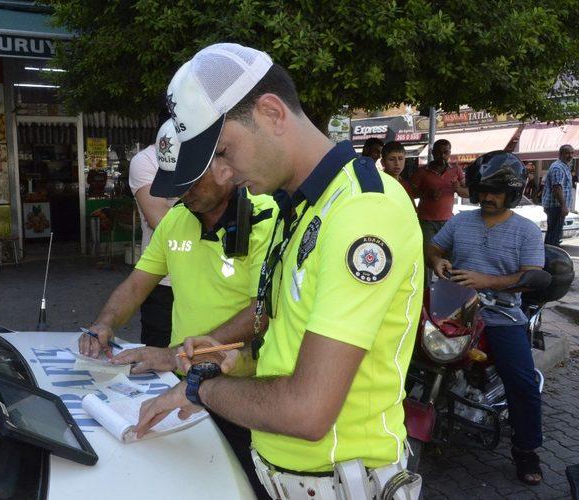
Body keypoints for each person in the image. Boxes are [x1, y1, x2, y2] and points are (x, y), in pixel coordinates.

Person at [134, 43, 423, 500]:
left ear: (271, 113)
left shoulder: (361, 210)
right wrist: (240, 358)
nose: (225, 175)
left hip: (342, 483)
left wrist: (202, 389)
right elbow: (287, 335)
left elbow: (307, 411)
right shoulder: (302, 208)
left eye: (224, 151)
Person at [80, 119, 276, 498]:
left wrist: (172, 355)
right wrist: (104, 323)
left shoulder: (267, 220)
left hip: (244, 393)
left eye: (190, 181)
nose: (181, 193)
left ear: (224, 166)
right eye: (174, 182)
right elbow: (139, 283)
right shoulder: (176, 221)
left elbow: (261, 313)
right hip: (182, 387)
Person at [426, 151, 545, 486]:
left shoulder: (526, 231)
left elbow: (532, 275)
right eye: (484, 190)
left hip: (502, 316)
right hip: (457, 311)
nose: (488, 198)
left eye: (496, 192)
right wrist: (437, 262)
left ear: (512, 193)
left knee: (521, 383)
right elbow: (434, 249)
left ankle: (526, 451)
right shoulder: (460, 221)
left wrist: (487, 281)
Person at [128, 126, 175, 347]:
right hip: (161, 279)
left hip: (206, 277)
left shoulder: (206, 154)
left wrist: (168, 205)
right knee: (157, 354)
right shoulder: (145, 160)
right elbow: (161, 222)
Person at [410, 139, 469, 243]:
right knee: (429, 253)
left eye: (445, 152)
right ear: (433, 153)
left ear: (449, 153)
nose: (442, 155)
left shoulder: (456, 170)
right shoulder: (421, 172)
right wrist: (426, 193)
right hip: (426, 222)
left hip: (447, 221)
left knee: (447, 253)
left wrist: (458, 189)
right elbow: (410, 195)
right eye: (438, 152)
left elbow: (469, 194)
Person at [542, 144, 575, 247]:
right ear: (560, 154)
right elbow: (557, 187)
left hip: (557, 206)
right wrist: (564, 206)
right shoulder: (558, 167)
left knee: (554, 233)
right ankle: (551, 257)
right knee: (554, 236)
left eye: (571, 153)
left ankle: (549, 255)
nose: (570, 155)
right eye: (567, 153)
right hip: (556, 206)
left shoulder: (564, 166)